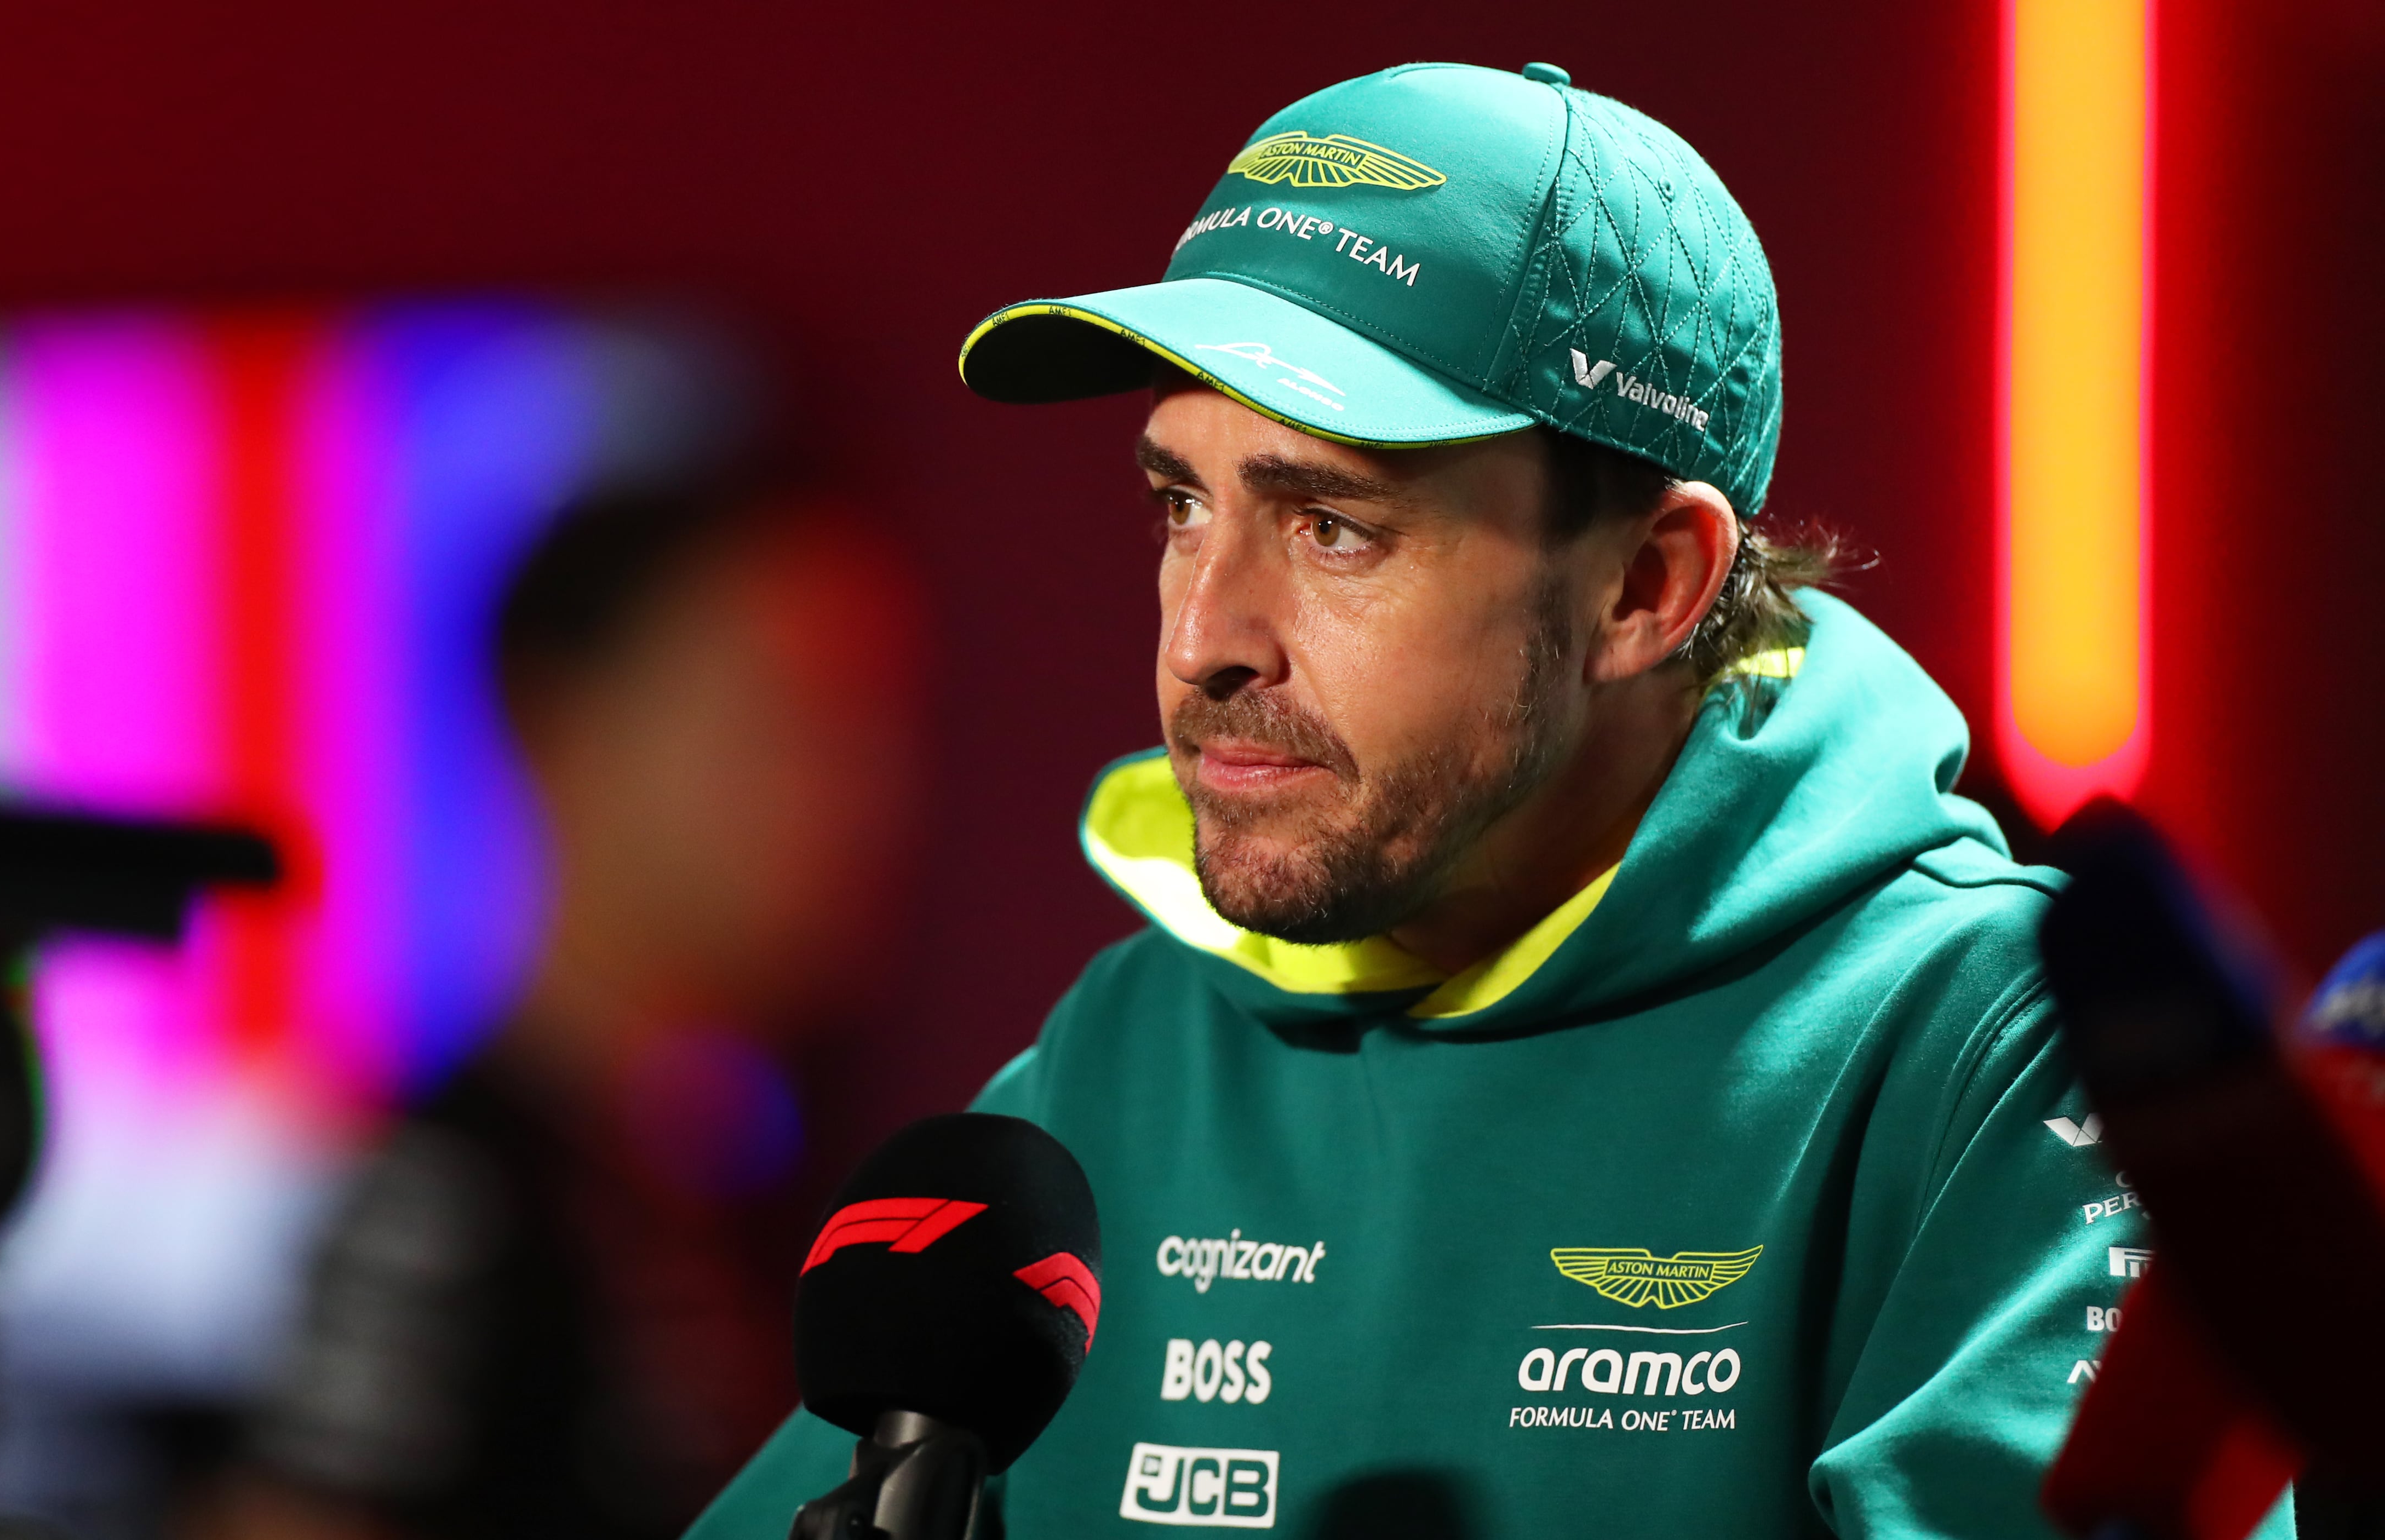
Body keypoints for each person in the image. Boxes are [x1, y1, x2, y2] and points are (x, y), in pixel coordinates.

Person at [686, 62, 2230, 1539]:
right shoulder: (1120, 1061)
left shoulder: (1992, 1052)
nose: (1202, 634)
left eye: (1335, 525)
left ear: (1646, 583)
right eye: (1181, 504)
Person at [199, 481, 924, 1540]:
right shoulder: (443, 1201)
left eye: (872, 728)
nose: (861, 794)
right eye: (782, 719)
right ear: (565, 732)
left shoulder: (734, 1191)